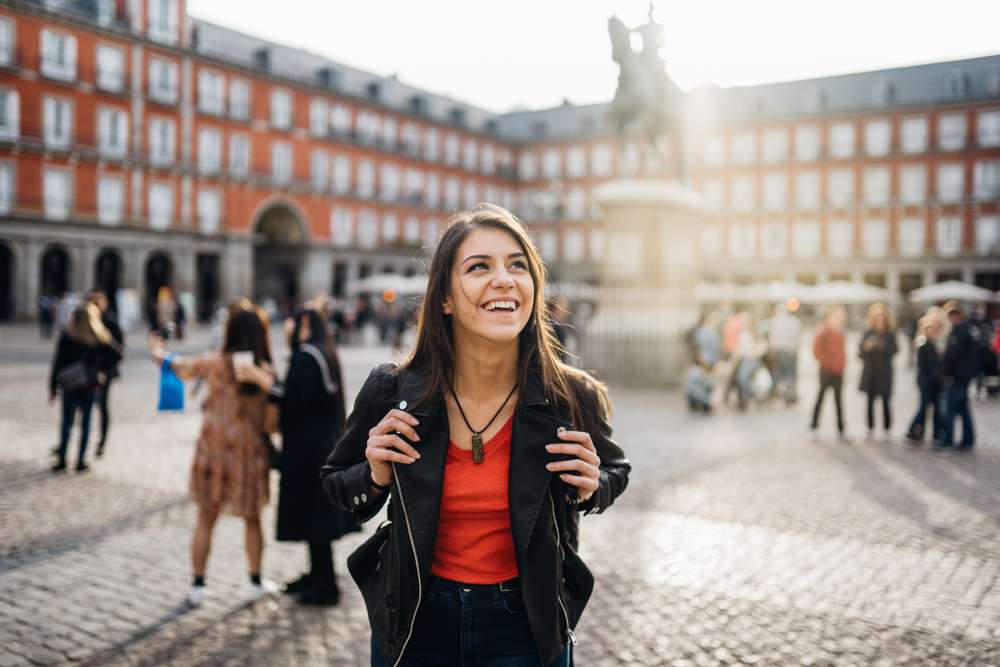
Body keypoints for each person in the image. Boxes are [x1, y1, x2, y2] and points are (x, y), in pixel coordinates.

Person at [320, 204, 631, 667]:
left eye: (518, 265)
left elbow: (614, 469)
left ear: (532, 288)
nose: (504, 279)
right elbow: (337, 480)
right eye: (479, 266)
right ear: (444, 297)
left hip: (527, 625)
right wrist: (375, 474)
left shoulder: (571, 395)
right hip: (415, 622)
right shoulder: (392, 389)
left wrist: (593, 486)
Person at [149, 304, 277, 607]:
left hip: (213, 452)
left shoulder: (214, 363)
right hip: (249, 455)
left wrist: (157, 348)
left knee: (205, 519)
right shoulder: (265, 373)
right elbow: (272, 424)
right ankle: (255, 582)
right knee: (253, 519)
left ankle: (197, 585)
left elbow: (176, 365)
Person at [237, 309, 360, 606]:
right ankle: (316, 574)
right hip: (319, 446)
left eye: (291, 321)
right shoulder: (320, 351)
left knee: (316, 518)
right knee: (313, 516)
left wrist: (262, 381)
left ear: (304, 324)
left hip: (311, 451)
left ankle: (325, 584)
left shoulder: (307, 354)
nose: (286, 327)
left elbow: (294, 401)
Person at [49, 303, 120, 472]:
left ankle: (62, 460)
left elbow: (57, 363)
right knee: (86, 423)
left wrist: (52, 387)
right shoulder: (98, 335)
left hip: (70, 384)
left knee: (67, 422)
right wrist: (102, 370)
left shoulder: (67, 335)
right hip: (90, 384)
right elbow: (118, 353)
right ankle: (81, 461)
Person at [934, 304, 982, 451]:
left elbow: (952, 355)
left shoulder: (959, 331)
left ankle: (947, 440)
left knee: (950, 408)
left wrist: (945, 372)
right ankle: (968, 440)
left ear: (954, 317)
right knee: (963, 408)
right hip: (967, 375)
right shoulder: (971, 329)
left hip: (958, 376)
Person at [87, 289, 125, 458]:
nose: (95, 305)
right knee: (84, 406)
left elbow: (119, 350)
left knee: (102, 406)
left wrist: (106, 370)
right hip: (86, 372)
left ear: (105, 303)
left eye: (98, 301)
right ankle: (82, 442)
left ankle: (101, 442)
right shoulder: (83, 320)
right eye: (92, 301)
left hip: (104, 373)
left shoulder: (110, 321)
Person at [858, 303, 898, 442]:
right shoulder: (868, 332)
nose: (879, 320)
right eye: (876, 317)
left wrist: (883, 346)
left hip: (885, 372)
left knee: (886, 400)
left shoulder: (890, 333)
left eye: (881, 317)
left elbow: (895, 350)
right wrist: (867, 347)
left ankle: (887, 428)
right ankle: (870, 427)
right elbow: (860, 353)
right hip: (871, 372)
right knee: (869, 401)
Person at [904, 309, 946, 444]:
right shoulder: (924, 345)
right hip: (926, 382)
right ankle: (914, 429)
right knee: (924, 407)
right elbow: (927, 366)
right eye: (929, 330)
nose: (932, 332)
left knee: (934, 408)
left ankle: (933, 432)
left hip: (934, 382)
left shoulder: (934, 344)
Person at [810, 305, 849, 441]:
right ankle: (814, 425)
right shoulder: (823, 331)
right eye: (838, 315)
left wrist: (842, 365)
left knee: (839, 400)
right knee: (821, 397)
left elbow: (842, 351)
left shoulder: (840, 331)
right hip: (826, 371)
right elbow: (816, 351)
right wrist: (829, 363)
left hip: (838, 371)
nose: (841, 318)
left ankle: (841, 428)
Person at [768, 304, 802, 404]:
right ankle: (789, 395)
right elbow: (797, 338)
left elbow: (771, 337)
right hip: (789, 351)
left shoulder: (774, 321)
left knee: (778, 373)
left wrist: (771, 351)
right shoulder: (795, 322)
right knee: (790, 374)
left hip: (777, 350)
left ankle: (775, 393)